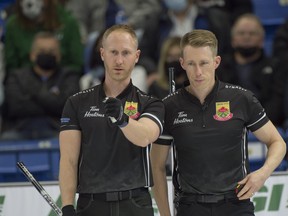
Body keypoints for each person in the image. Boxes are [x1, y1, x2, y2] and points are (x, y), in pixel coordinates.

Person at [151, 29, 286, 216]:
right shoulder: (169, 106)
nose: (198, 72)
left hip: (236, 204)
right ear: (182, 63)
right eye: (191, 64)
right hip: (190, 207)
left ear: (216, 62)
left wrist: (263, 174)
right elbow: (156, 165)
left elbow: (277, 142)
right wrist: (165, 214)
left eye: (204, 63)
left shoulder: (241, 98)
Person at [59, 24, 165, 216]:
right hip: (91, 203)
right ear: (102, 54)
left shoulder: (150, 103)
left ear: (137, 56)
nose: (119, 60)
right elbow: (68, 160)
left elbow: (145, 137)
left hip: (135, 202)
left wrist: (122, 119)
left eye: (126, 53)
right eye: (113, 52)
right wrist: (67, 205)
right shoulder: (77, 102)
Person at [1, 31, 80, 140]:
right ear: (32, 55)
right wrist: (52, 99)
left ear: (59, 55)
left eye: (51, 51)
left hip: (57, 131)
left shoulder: (70, 76)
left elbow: (68, 107)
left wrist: (32, 95)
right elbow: (15, 107)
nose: (47, 54)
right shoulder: (16, 77)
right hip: (20, 131)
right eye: (42, 51)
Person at [217, 13, 286, 127]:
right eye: (241, 33)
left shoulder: (276, 67)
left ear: (262, 40)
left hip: (268, 126)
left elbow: (277, 104)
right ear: (233, 40)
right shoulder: (220, 67)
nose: (246, 37)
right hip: (228, 128)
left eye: (252, 33)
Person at [4, 0, 83, 74]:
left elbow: (77, 63)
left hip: (62, 78)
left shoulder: (68, 22)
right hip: (24, 80)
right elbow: (11, 66)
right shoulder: (13, 25)